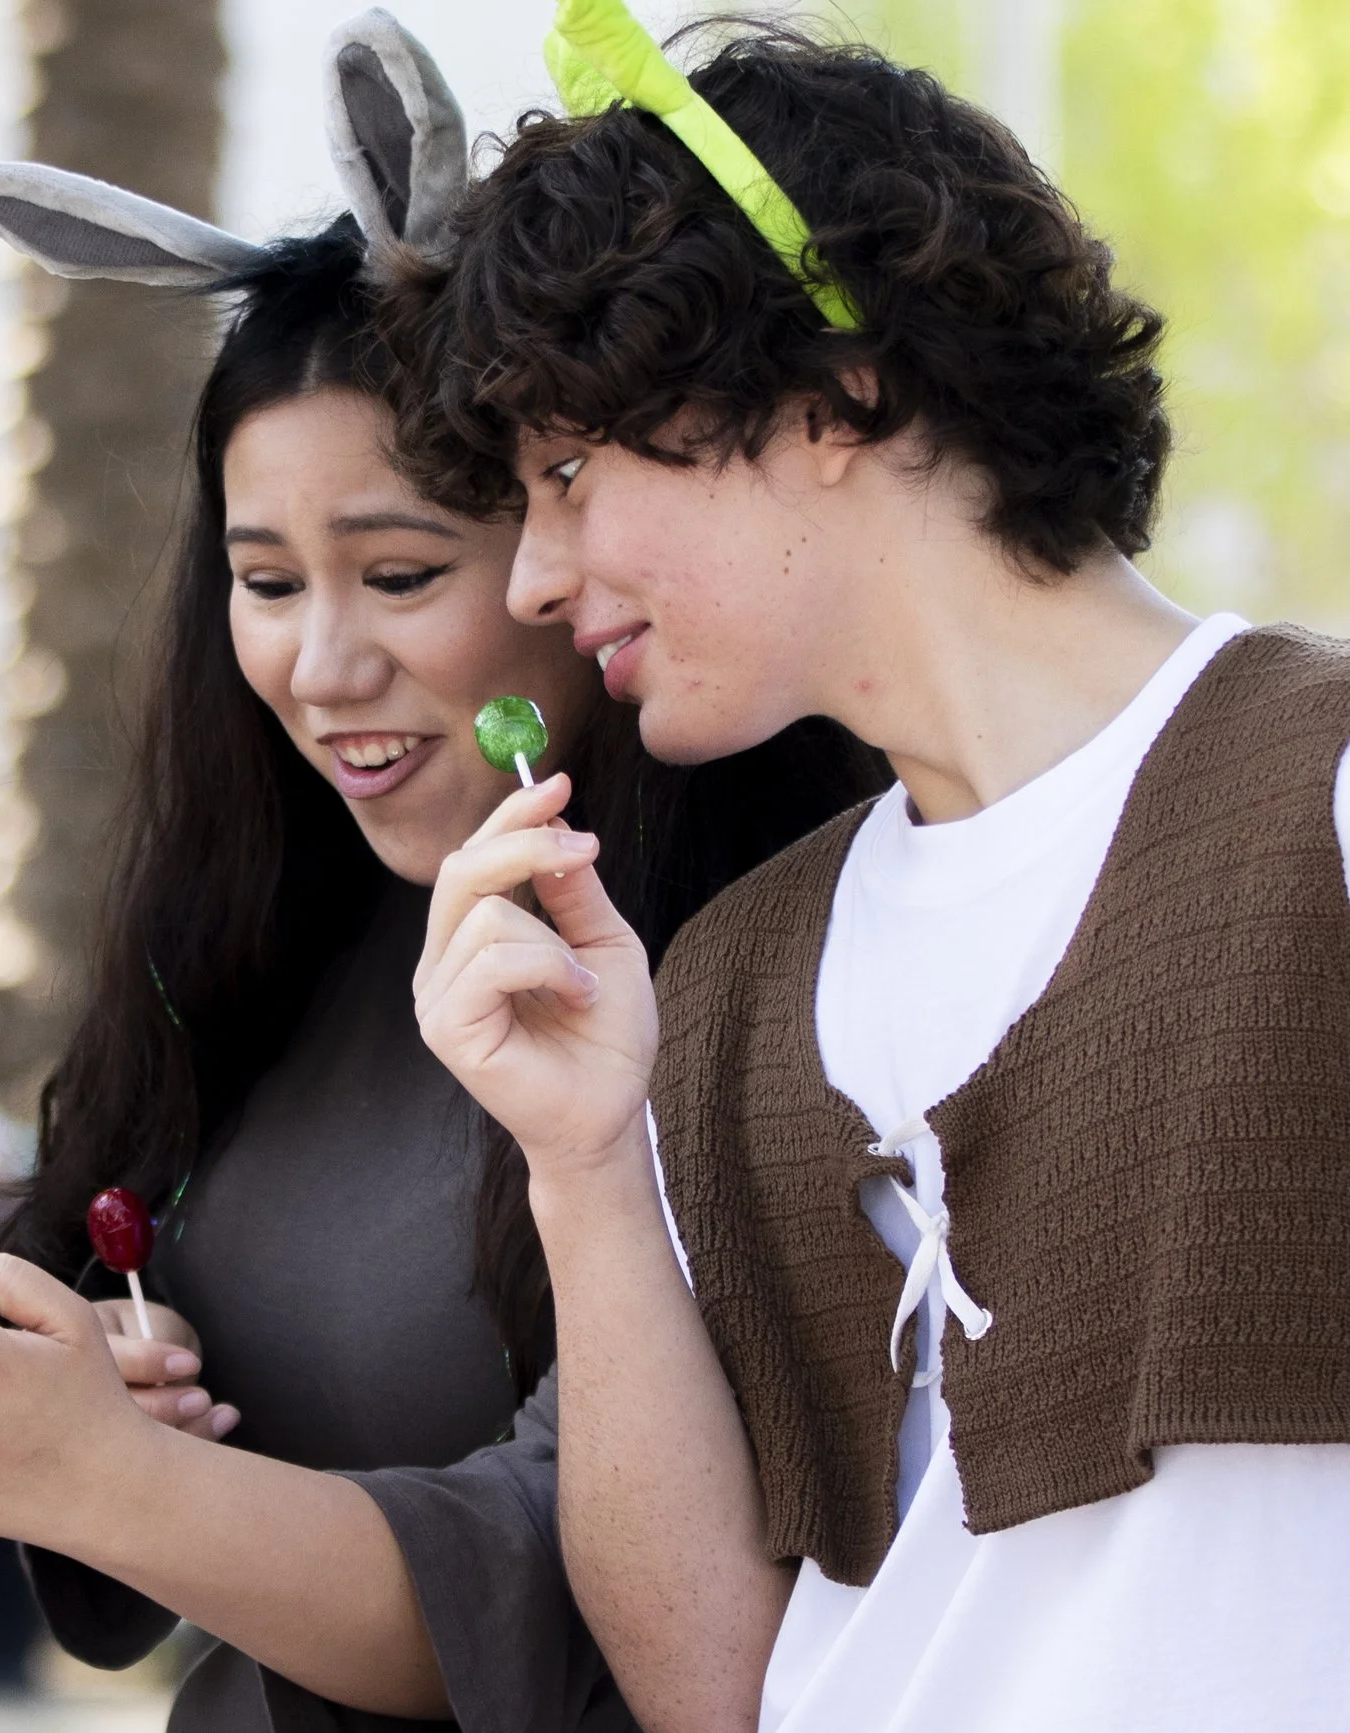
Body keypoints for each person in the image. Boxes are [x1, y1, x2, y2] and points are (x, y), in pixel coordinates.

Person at [0, 17, 882, 1731]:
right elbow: (126, 1588)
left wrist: (105, 1481)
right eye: (269, 581)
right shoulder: (258, 932)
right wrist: (106, 1386)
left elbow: (594, 1611)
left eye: (400, 569)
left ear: (574, 548)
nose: (321, 664)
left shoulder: (768, 962)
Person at [380, 6, 1350, 1731]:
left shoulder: (1319, 789)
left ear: (838, 392)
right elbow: (711, 1687)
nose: (532, 573)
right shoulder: (733, 972)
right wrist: (584, 1160)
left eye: (574, 469)